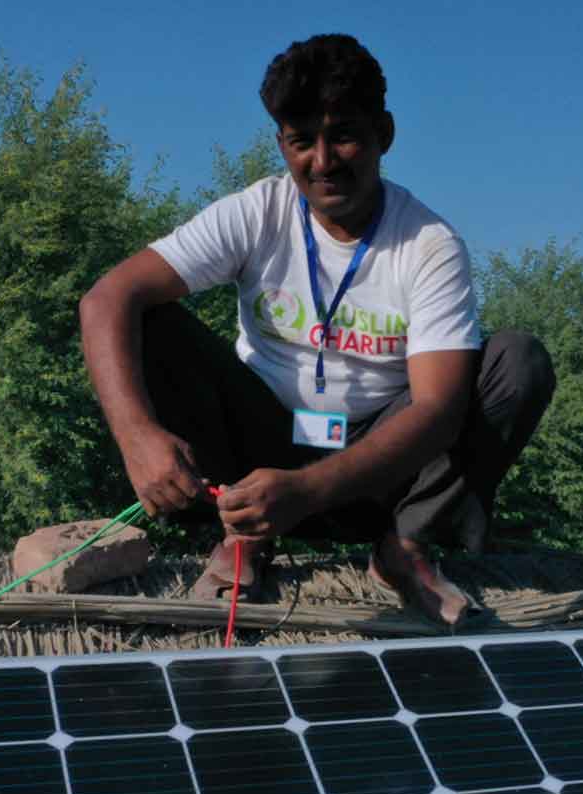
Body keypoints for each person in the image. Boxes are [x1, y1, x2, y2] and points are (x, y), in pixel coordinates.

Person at [79, 33, 555, 625]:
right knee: (146, 317)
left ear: (384, 134)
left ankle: (405, 544)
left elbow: (437, 411)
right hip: (264, 443)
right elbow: (105, 299)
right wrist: (137, 438)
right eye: (302, 141)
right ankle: (244, 534)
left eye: (344, 135)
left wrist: (306, 491)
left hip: (381, 466)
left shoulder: (429, 245)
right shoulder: (255, 212)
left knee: (517, 361)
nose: (323, 162)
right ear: (282, 145)